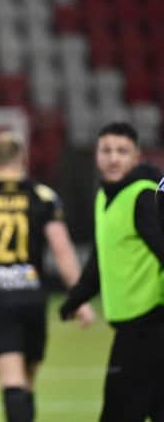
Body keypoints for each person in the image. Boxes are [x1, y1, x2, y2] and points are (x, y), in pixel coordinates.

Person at [0, 131, 95, 422]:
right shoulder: (43, 196)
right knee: (27, 385)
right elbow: (64, 254)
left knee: (12, 385)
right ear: (23, 157)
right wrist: (80, 300)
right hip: (34, 301)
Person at [61, 122, 164, 422]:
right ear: (96, 155)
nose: (113, 158)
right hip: (136, 326)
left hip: (149, 325)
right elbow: (100, 260)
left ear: (137, 157)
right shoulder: (106, 197)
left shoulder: (142, 197)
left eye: (122, 151)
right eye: (106, 150)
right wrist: (76, 298)